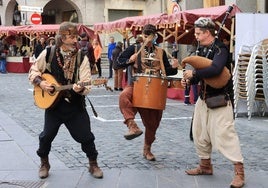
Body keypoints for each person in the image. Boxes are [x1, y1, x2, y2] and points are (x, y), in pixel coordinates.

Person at [28, 22, 103, 179]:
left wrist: (80, 88)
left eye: (76, 36)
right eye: (72, 36)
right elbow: (33, 70)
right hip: (54, 107)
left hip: (75, 106)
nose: (75, 39)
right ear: (62, 37)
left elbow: (86, 81)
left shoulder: (81, 57)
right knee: (46, 136)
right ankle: (44, 162)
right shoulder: (48, 53)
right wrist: (41, 82)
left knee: (86, 136)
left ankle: (93, 164)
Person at [181, 17, 245, 188]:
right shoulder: (201, 51)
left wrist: (194, 75)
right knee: (200, 133)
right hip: (203, 98)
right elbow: (201, 76)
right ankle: (205, 166)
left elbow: (215, 69)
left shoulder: (220, 49)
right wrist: (189, 80)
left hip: (220, 99)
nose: (196, 36)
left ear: (207, 33)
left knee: (225, 135)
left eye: (198, 33)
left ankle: (239, 172)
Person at [117, 24, 179, 161]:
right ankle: (132, 126)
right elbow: (117, 64)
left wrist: (174, 68)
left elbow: (167, 71)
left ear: (155, 36)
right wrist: (129, 60)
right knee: (123, 96)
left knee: (153, 124)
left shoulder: (160, 52)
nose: (148, 39)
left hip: (155, 89)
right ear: (142, 35)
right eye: (146, 36)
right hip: (136, 85)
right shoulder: (134, 48)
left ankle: (147, 149)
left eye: (151, 36)